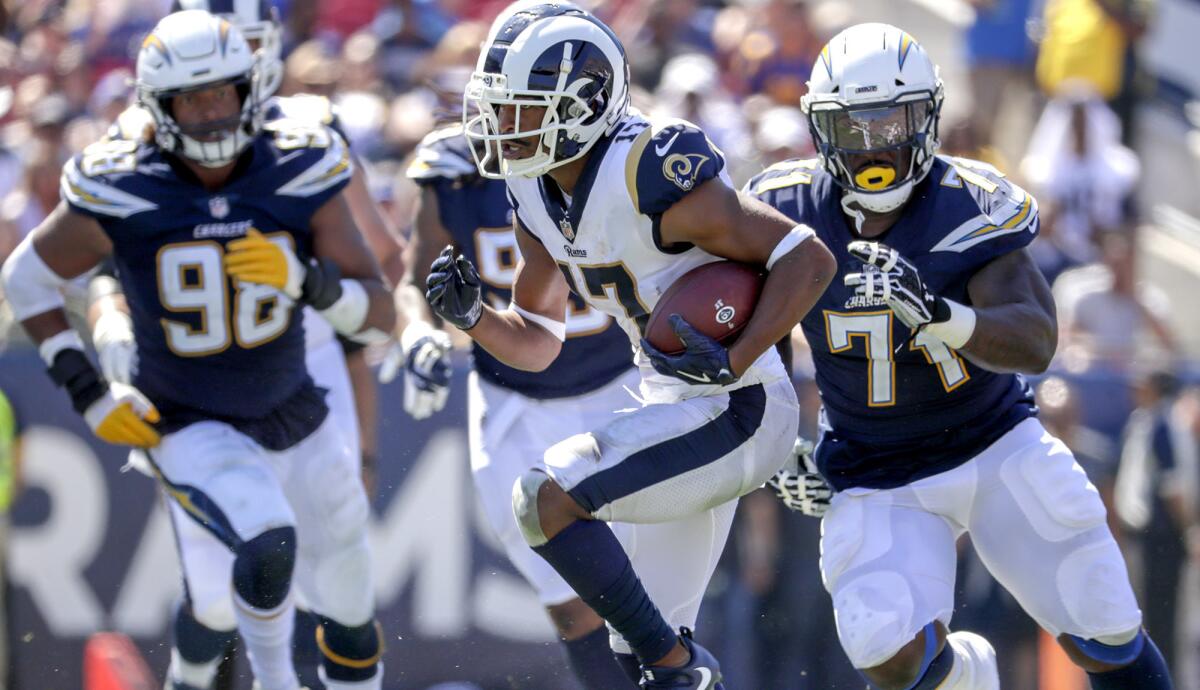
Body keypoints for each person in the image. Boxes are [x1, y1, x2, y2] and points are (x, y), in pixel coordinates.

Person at [746, 21, 1171, 690]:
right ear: (820, 129)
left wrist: (941, 317)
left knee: (1106, 629)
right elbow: (752, 332)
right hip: (873, 464)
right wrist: (779, 447)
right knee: (882, 646)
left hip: (992, 444)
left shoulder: (969, 202)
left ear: (930, 116)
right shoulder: (785, 208)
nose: (876, 145)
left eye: (894, 121)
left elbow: (1036, 339)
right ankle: (968, 674)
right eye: (854, 127)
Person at [431, 4, 836, 688]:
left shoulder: (648, 167)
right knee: (628, 658)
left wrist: (735, 358)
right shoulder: (532, 190)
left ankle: (685, 671)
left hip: (739, 406)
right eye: (498, 108)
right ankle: (675, 668)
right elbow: (538, 342)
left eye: (521, 109)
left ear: (583, 106)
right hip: (672, 407)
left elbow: (808, 260)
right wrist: (473, 317)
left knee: (545, 499)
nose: (501, 126)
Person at [0, 12, 394, 690]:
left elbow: (380, 311)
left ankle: (189, 680)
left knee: (352, 606)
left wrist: (305, 280)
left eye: (223, 92)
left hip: (294, 406)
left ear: (251, 87)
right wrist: (88, 391)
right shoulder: (123, 179)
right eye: (191, 98)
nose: (211, 113)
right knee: (265, 545)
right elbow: (26, 279)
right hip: (185, 417)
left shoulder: (296, 161)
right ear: (157, 106)